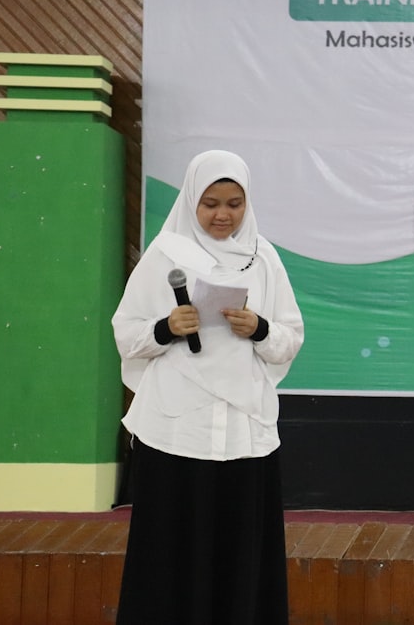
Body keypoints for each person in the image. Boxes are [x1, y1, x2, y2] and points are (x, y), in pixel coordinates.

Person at [112, 149, 304, 625]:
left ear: (247, 203)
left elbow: (289, 340)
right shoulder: (165, 254)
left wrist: (258, 327)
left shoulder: (264, 258)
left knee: (241, 550)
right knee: (169, 552)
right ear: (192, 202)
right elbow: (127, 334)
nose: (223, 214)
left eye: (234, 203)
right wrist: (166, 326)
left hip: (244, 431)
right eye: (211, 203)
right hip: (177, 430)